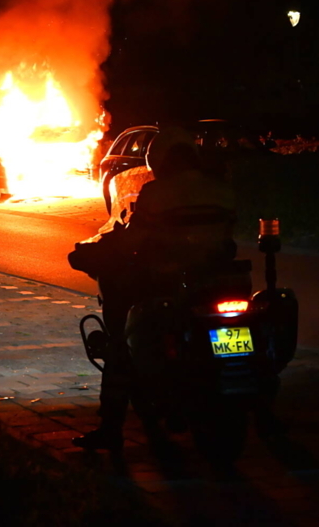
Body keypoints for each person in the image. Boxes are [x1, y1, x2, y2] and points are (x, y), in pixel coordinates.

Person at [69, 126, 239, 451]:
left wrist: (108, 248)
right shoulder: (222, 190)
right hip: (217, 280)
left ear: (159, 161)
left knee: (120, 342)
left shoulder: (155, 194)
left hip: (168, 282)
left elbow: (133, 239)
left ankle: (111, 427)